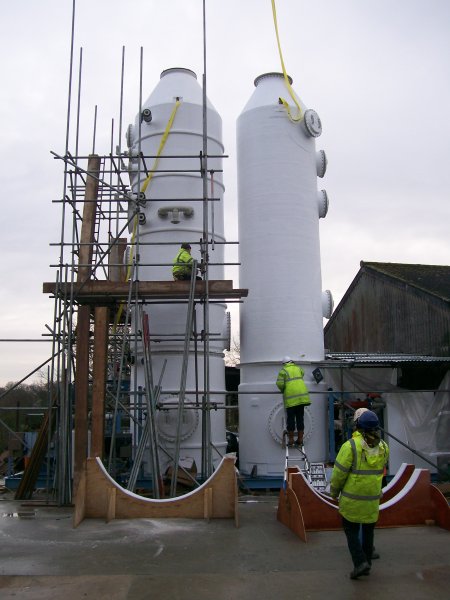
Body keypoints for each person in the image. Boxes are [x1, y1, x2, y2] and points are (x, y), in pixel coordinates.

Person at [330, 410, 389, 580]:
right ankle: (367, 562)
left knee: (351, 530)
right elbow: (380, 471)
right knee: (369, 530)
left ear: (357, 426)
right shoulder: (384, 447)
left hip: (352, 500)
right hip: (372, 500)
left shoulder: (350, 446)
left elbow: (338, 474)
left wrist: (334, 492)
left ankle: (359, 563)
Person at [276, 357, 310, 447]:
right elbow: (302, 373)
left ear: (284, 364)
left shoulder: (283, 371)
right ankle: (300, 439)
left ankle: (291, 440)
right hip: (302, 397)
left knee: (290, 419)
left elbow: (279, 383)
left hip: (291, 399)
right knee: (300, 418)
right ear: (291, 362)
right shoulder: (298, 368)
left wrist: (284, 389)